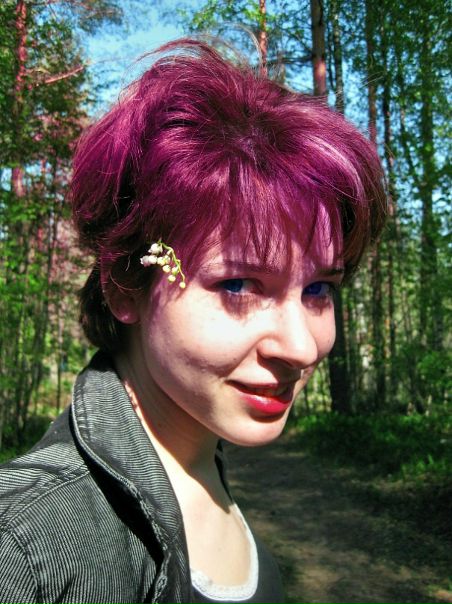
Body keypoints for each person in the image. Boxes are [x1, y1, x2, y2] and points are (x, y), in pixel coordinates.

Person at [0, 39, 386, 603]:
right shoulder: (25, 545)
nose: (302, 348)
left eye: (318, 289)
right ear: (126, 285)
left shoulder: (200, 451)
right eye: (238, 285)